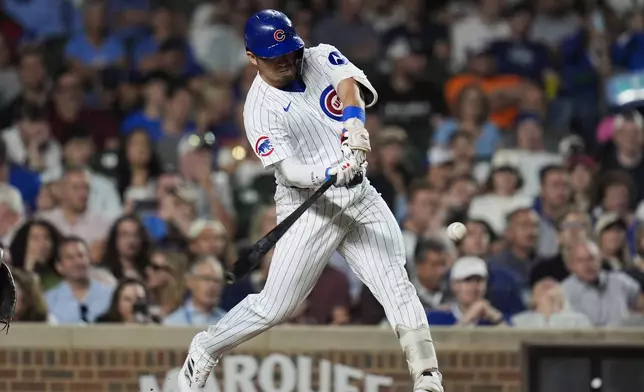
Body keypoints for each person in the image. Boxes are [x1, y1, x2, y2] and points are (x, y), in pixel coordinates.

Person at [178, 10, 444, 392]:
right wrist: (330, 173)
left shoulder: (318, 56)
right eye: (275, 55)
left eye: (289, 50)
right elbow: (289, 172)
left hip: (360, 194)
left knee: (396, 284)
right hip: (310, 206)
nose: (286, 60)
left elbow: (349, 84)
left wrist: (354, 124)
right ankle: (206, 347)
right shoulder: (259, 109)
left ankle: (427, 377)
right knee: (277, 306)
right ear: (253, 57)